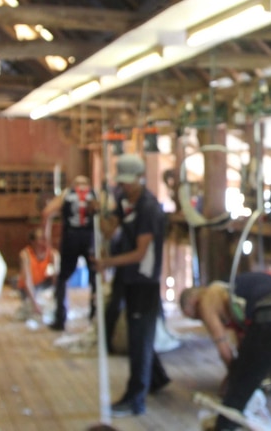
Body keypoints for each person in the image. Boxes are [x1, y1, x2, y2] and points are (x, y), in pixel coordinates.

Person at [179, 270, 271, 431]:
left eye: (196, 316)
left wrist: (234, 376)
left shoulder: (207, 298)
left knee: (240, 385)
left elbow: (224, 348)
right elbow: (249, 346)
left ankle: (224, 428)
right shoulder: (236, 294)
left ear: (194, 300)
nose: (200, 318)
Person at [95, 153, 171, 417]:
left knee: (139, 339)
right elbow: (109, 230)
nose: (125, 186)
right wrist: (103, 215)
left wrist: (108, 263)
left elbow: (140, 253)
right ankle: (157, 378)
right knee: (140, 335)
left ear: (140, 178)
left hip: (144, 281)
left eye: (129, 182)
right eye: (122, 183)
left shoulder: (149, 208)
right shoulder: (125, 200)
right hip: (127, 276)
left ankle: (135, 399)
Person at [42, 174, 99, 331]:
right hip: (90, 238)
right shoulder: (95, 194)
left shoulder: (67, 194)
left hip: (71, 238)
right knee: (94, 279)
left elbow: (47, 212)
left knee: (63, 278)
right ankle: (95, 317)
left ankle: (61, 317)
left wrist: (46, 236)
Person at [16, 227, 60, 320]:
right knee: (30, 308)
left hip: (43, 284)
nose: (44, 242)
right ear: (33, 241)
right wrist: (35, 304)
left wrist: (58, 300)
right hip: (28, 287)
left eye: (45, 239)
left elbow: (56, 278)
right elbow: (27, 281)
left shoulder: (53, 254)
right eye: (41, 239)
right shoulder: (25, 255)